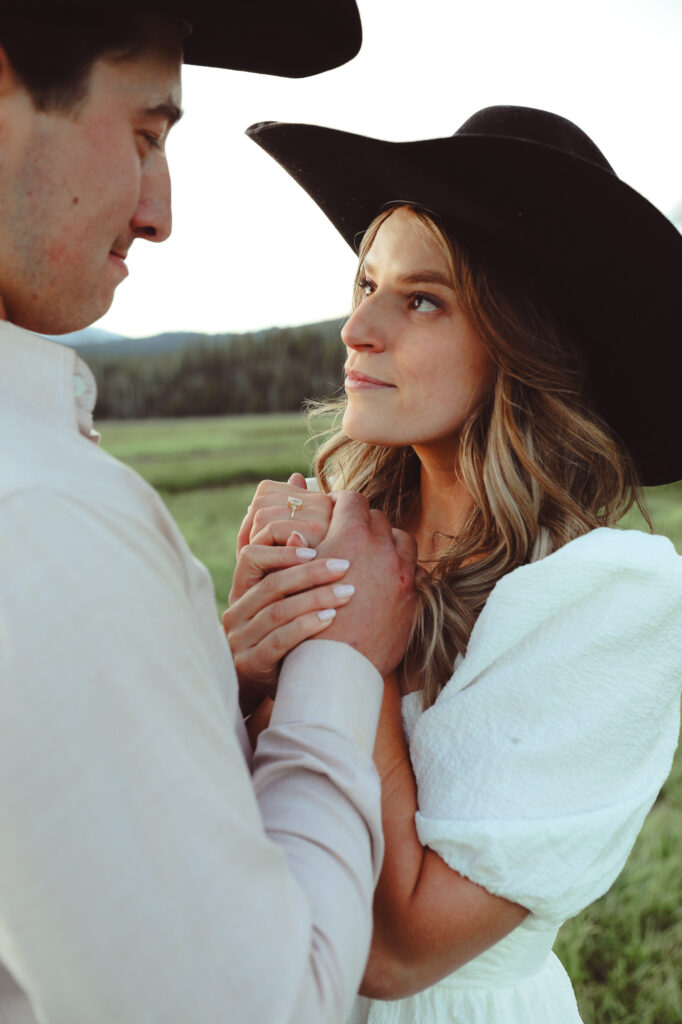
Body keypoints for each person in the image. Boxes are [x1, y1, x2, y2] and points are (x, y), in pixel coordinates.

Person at [0, 4, 419, 1022]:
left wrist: (200, 670)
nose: (160, 212)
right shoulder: (39, 512)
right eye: (147, 134)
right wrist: (340, 658)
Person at [228, 106, 682, 1022]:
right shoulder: (343, 543)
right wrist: (235, 677)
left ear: (523, 342)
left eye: (421, 298)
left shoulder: (611, 596)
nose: (358, 327)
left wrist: (349, 653)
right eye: (365, 283)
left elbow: (399, 952)